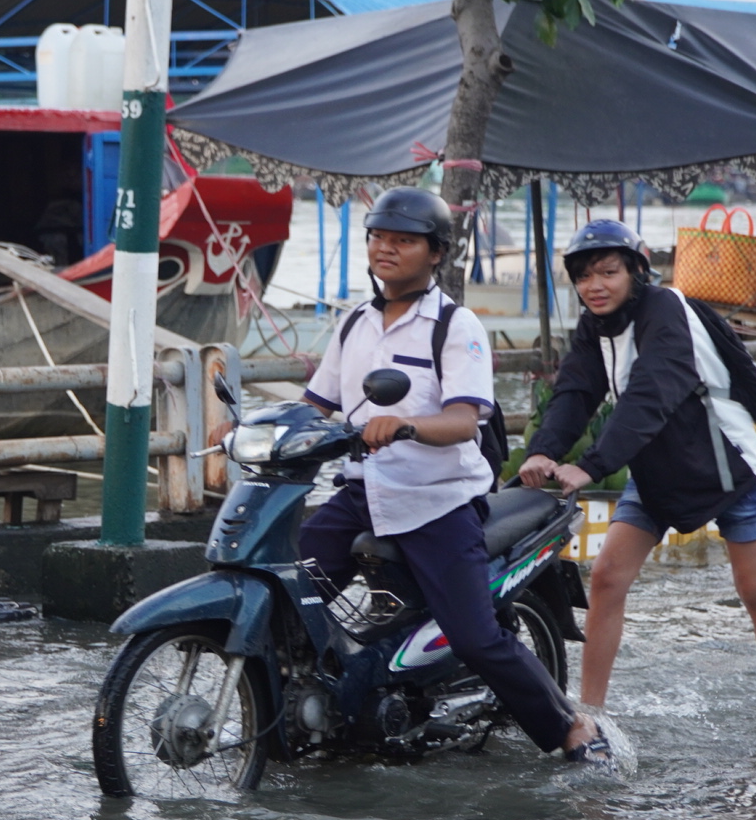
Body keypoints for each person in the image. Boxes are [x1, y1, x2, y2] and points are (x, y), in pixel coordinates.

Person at [216, 187, 609, 762]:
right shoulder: (353, 322)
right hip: (361, 494)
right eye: (378, 236)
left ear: (436, 254)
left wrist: (404, 424)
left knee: (476, 637)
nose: (386, 248)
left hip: (437, 503)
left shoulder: (456, 325)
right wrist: (245, 429)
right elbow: (317, 406)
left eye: (404, 240)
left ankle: (571, 729)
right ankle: (297, 708)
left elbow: (462, 420)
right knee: (286, 589)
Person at [519, 219, 756, 715]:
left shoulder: (665, 309)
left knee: (754, 589)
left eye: (608, 272)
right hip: (656, 467)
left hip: (723, 460)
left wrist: (592, 465)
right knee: (606, 577)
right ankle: (590, 714)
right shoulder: (595, 326)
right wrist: (542, 450)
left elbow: (652, 393)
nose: (595, 287)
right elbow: (576, 391)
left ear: (637, 272)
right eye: (584, 278)